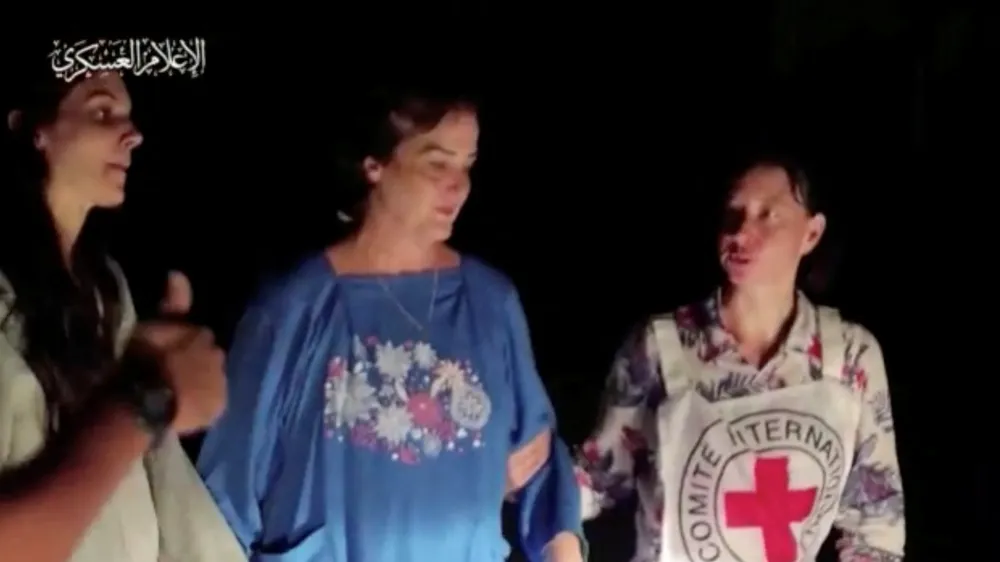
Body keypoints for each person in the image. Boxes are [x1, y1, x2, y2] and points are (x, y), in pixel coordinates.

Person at [197, 87, 585, 562]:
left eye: (467, 165)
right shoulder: (294, 312)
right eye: (437, 164)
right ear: (374, 165)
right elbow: (219, 506)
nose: (458, 185)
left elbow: (541, 467)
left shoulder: (490, 303)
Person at [575, 157, 905, 562]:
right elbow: (595, 481)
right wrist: (507, 481)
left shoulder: (850, 359)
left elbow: (877, 528)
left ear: (811, 233)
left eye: (768, 215)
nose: (742, 232)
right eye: (735, 213)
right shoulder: (664, 347)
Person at [0, 68, 244, 562]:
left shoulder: (104, 290)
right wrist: (148, 399)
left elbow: (159, 480)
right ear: (33, 128)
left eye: (129, 116)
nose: (132, 133)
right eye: (102, 112)